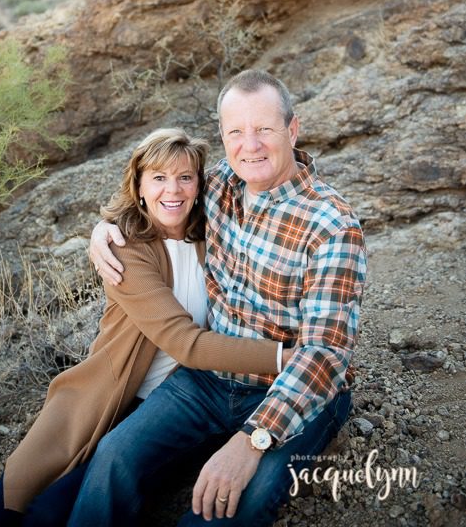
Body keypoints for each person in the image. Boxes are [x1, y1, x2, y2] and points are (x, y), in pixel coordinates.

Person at [0, 127, 291, 527]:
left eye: (185, 177)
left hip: (170, 404)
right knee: (11, 504)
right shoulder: (126, 249)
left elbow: (263, 161)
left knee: (64, 508)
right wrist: (287, 357)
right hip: (106, 396)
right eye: (158, 178)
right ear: (138, 185)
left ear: (200, 185)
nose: (173, 189)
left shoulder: (214, 236)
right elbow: (187, 344)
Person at [78, 69, 367, 527]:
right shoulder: (217, 187)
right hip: (208, 379)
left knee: (227, 507)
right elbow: (158, 196)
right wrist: (103, 231)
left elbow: (326, 354)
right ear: (222, 136)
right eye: (236, 132)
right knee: (113, 459)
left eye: (264, 130)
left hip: (294, 389)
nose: (249, 145)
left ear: (293, 129)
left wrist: (252, 439)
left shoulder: (332, 225)